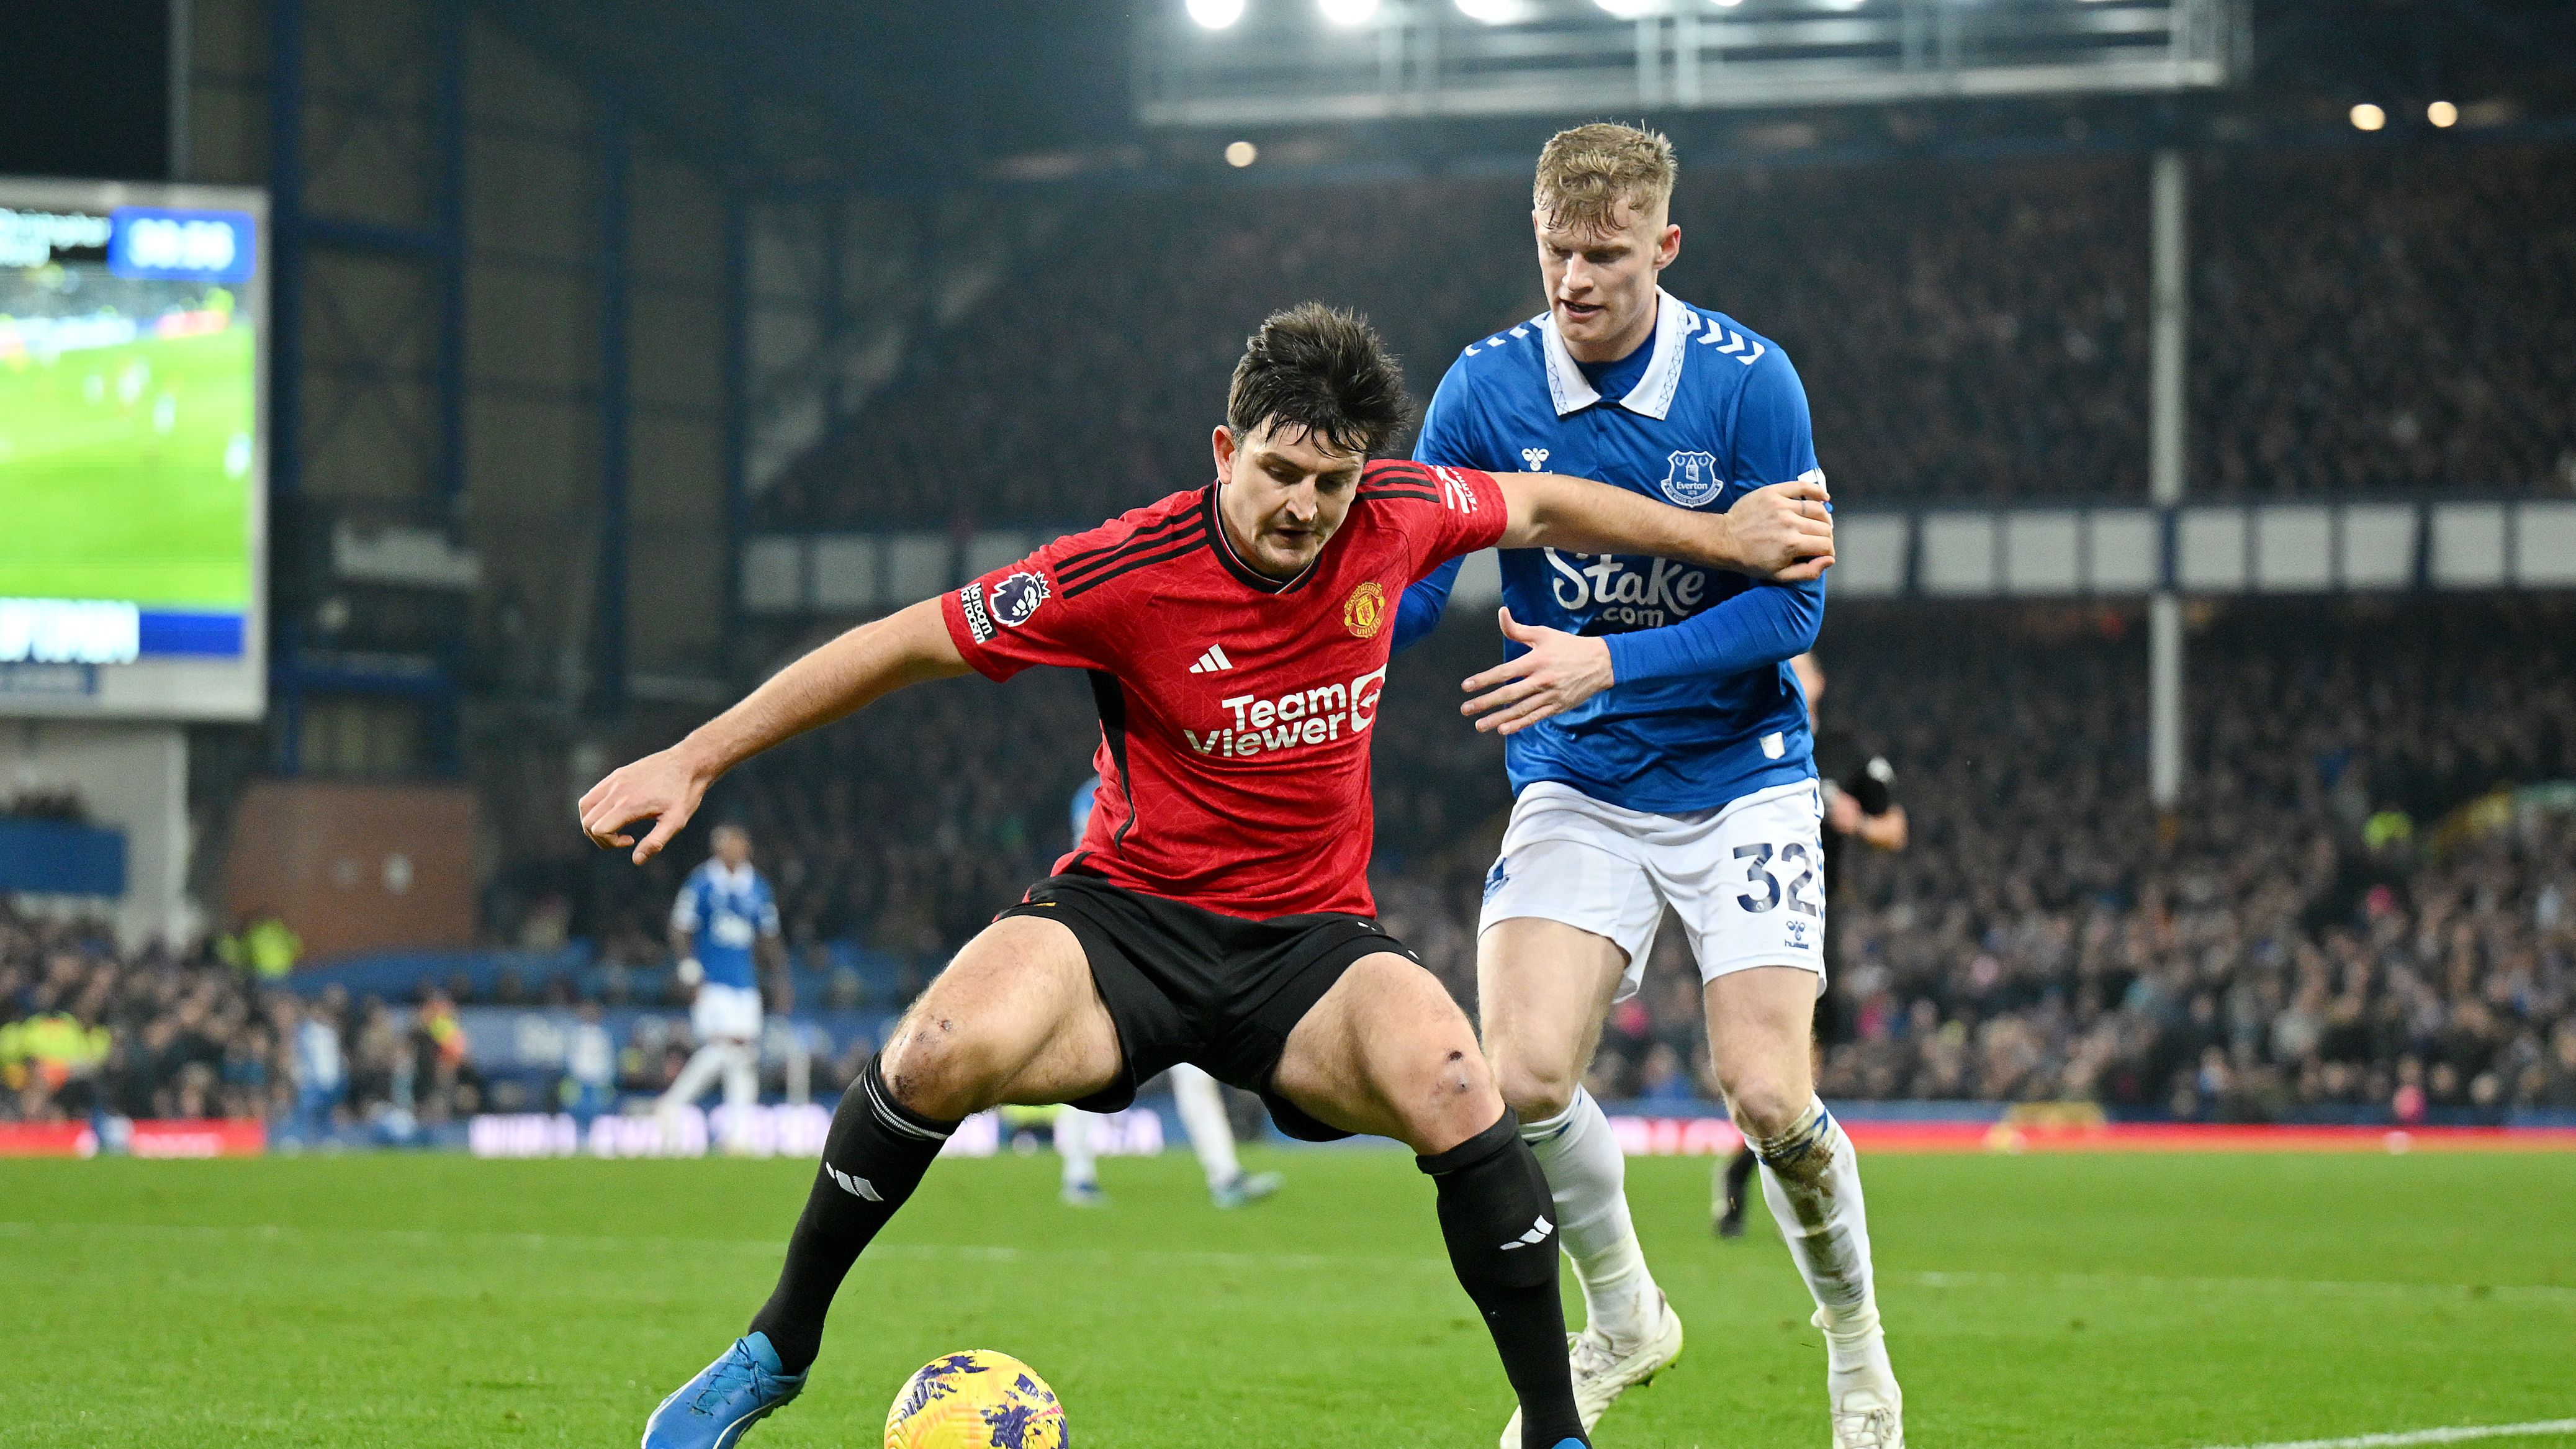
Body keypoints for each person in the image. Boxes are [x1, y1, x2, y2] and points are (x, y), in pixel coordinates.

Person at [579, 301, 1832, 1449]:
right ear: (1222, 448)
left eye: (1329, 483)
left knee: (1461, 1083)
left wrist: (1714, 534)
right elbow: (902, 643)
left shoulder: (1399, 514)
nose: (1303, 505)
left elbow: (1546, 502)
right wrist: (697, 756)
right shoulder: (1115, 573)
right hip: (1123, 925)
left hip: (1307, 947)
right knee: (935, 1049)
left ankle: (1555, 1434)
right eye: (1280, 471)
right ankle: (776, 1348)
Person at [1389, 124, 1901, 1448]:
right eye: (1556, 251)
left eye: (1605, 255)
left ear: (1662, 248)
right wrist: (1335, 617)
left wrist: (1601, 663)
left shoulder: (1748, 386)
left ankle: (1855, 1353)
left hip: (1741, 776)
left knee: (1769, 1097)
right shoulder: (1480, 389)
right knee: (1524, 1076)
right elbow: (1425, 584)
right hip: (1577, 781)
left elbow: (1789, 620)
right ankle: (1623, 1316)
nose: (1575, 278)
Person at [1716, 651, 1905, 1239]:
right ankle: (1766, 1177)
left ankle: (1748, 1172)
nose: (1792, 673)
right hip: (1748, 917)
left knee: (1801, 1070)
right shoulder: (1744, 738)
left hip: (1817, 924)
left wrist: (1858, 824)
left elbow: (1895, 828)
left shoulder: (1847, 751)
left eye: (1802, 665)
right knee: (1771, 1062)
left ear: (1821, 681)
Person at [1058, 777, 1283, 1209]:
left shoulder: (1159, 777)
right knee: (1092, 1059)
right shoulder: (1094, 792)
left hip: (1165, 941)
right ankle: (1079, 1174)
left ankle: (1225, 1175)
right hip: (1116, 939)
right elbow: (1094, 862)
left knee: (1194, 1067)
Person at [658, 824, 786, 1154]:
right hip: (711, 981)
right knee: (726, 1045)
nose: (736, 849)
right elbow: (680, 927)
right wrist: (689, 971)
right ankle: (673, 1105)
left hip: (745, 983)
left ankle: (738, 1136)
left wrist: (780, 979)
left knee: (742, 1056)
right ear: (718, 848)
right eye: (730, 844)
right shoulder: (701, 882)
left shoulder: (756, 886)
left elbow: (769, 937)